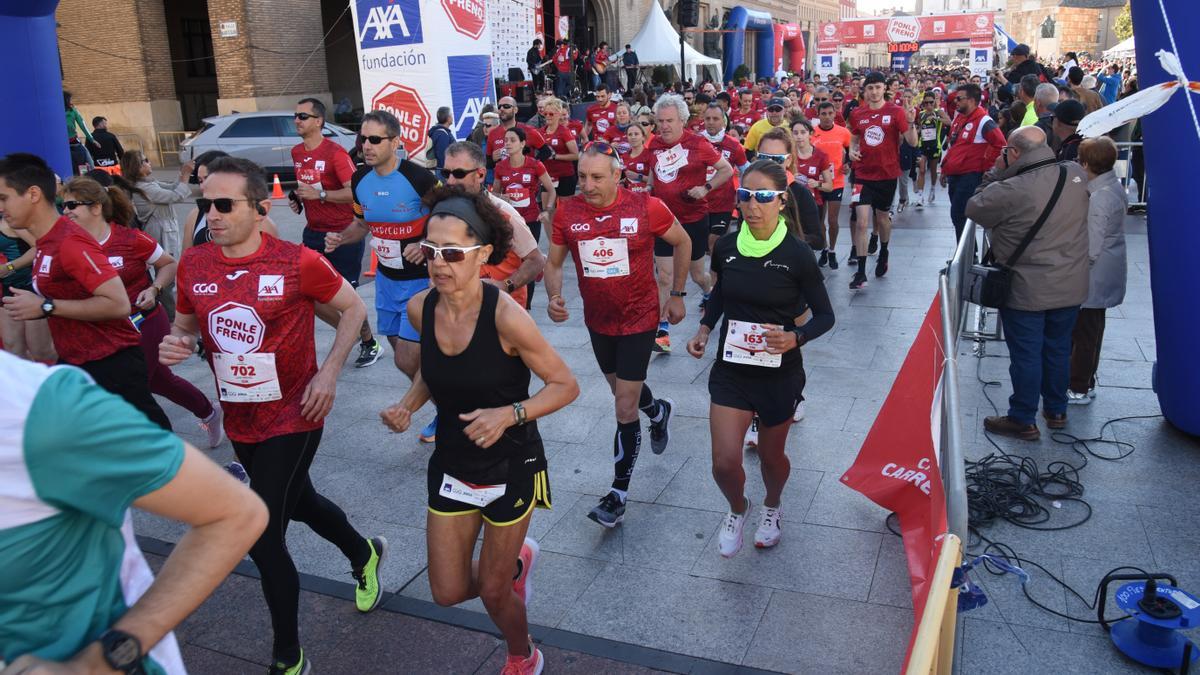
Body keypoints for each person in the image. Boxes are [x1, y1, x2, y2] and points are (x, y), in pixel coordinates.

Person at [163, 156, 386, 674]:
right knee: (300, 500)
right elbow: (186, 327)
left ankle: (289, 655)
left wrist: (328, 373)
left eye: (224, 204)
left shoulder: (295, 260)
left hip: (296, 412)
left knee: (261, 533)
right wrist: (177, 345)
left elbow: (353, 309)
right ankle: (363, 553)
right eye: (205, 204)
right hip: (242, 414)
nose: (211, 214)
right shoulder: (195, 263)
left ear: (261, 208)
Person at [380, 187, 577, 675]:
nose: (438, 263)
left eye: (452, 253)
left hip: (510, 463)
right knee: (446, 592)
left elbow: (565, 385)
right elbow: (435, 370)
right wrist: (408, 405)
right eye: (430, 251)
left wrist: (510, 414)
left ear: (483, 254)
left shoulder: (507, 317)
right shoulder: (421, 308)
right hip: (451, 461)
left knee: (491, 592)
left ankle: (522, 653)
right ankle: (511, 566)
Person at [0, 350, 266, 675]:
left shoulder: (35, 412)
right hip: (82, 356)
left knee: (291, 518)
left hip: (116, 352)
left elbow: (237, 513)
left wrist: (103, 661)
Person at [686, 159, 834, 556]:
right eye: (745, 196)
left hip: (778, 372)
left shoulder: (797, 254)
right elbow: (719, 293)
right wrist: (704, 328)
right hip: (731, 369)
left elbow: (826, 315)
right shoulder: (730, 246)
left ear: (782, 201)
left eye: (764, 197)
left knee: (771, 457)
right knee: (724, 462)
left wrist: (795, 337)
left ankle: (772, 506)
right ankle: (739, 508)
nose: (753, 205)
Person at [544, 144, 691, 526]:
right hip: (599, 320)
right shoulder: (567, 211)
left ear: (617, 175)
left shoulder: (646, 206)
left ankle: (618, 494)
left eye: (596, 177)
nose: (587, 185)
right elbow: (554, 262)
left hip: (639, 318)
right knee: (621, 391)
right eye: (582, 177)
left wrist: (676, 294)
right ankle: (658, 411)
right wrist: (554, 297)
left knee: (624, 407)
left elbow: (683, 241)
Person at [0, 152, 171, 430]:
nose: (1, 207)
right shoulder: (46, 241)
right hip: (81, 362)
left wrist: (46, 306)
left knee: (153, 452)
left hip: (111, 363)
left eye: (4, 197)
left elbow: (118, 304)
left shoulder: (70, 242)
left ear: (32, 194)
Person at [62, 176, 223, 447]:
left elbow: (169, 264)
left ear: (96, 207)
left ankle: (158, 450)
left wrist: (155, 288)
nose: (65, 211)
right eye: (62, 205)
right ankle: (209, 412)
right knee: (160, 381)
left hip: (145, 322)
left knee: (133, 387)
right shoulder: (68, 245)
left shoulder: (130, 239)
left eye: (71, 205)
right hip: (105, 329)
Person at [966, 127, 1089, 440]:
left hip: (1027, 287)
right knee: (1059, 349)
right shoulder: (1073, 173)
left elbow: (975, 207)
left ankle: (1023, 418)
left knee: (1026, 355)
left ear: (1014, 152)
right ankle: (1056, 410)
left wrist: (996, 171)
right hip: (1070, 283)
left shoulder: (1010, 189)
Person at [324, 110, 441, 437]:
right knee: (403, 357)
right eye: (363, 139)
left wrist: (428, 242)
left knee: (406, 358)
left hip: (420, 282)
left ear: (396, 142)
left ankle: (445, 411)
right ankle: (446, 406)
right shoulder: (360, 179)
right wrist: (341, 237)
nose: (367, 146)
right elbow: (362, 224)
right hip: (387, 282)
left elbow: (451, 216)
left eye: (376, 139)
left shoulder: (419, 178)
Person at [290, 97, 384, 369]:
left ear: (318, 121)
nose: (297, 120)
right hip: (313, 233)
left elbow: (354, 190)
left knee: (347, 298)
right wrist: (298, 198)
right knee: (308, 293)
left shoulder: (335, 153)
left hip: (343, 234)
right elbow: (305, 188)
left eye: (303, 116)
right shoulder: (297, 152)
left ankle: (368, 342)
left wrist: (321, 194)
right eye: (295, 116)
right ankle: (350, 333)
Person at [648, 94, 734, 352]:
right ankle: (662, 333)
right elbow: (654, 177)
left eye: (669, 121)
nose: (664, 126)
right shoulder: (653, 145)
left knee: (697, 274)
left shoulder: (698, 144)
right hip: (664, 220)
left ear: (682, 120)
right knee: (665, 276)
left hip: (693, 218)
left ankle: (709, 292)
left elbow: (726, 170)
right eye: (660, 121)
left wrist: (705, 188)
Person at [444, 140, 546, 311]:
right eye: (446, 173)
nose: (450, 181)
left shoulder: (504, 214)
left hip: (502, 311)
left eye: (459, 174)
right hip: (461, 309)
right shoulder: (445, 211)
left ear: (481, 174)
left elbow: (536, 260)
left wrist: (505, 285)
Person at [1069, 137, 1127, 404]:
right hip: (1106, 269)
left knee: (1085, 333)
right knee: (1092, 329)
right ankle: (1085, 380)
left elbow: (1092, 245)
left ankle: (1079, 385)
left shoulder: (1100, 197)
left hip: (1095, 273)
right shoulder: (1112, 187)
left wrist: (1076, 269)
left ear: (1086, 163)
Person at [846, 71, 917, 290]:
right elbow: (854, 137)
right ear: (865, 91)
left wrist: (912, 122)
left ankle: (884, 252)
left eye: (878, 87)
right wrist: (851, 151)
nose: (874, 92)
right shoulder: (858, 113)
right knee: (862, 223)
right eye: (870, 88)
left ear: (884, 89)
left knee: (883, 219)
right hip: (862, 174)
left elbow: (912, 143)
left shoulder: (896, 112)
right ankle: (860, 273)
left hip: (887, 175)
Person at [939, 83, 1005, 242]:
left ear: (972, 100)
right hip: (955, 174)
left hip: (969, 176)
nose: (956, 101)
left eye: (959, 99)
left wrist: (986, 166)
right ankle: (967, 253)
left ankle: (967, 257)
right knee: (957, 216)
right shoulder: (959, 118)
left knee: (959, 214)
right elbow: (953, 146)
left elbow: (1000, 144)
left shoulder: (984, 121)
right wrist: (944, 169)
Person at [0, 212, 55, 362]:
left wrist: (10, 267)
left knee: (40, 351)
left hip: (28, 288)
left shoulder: (10, 219)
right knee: (12, 348)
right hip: (6, 291)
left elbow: (39, 247)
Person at [701, 103, 749, 258]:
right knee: (706, 248)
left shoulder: (733, 145)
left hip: (723, 203)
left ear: (723, 121)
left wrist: (742, 194)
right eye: (707, 118)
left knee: (714, 242)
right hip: (697, 203)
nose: (711, 122)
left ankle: (717, 280)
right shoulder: (694, 141)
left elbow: (746, 171)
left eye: (715, 118)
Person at [811, 101, 851, 270]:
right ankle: (825, 249)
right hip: (818, 182)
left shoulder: (843, 132)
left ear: (835, 113)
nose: (827, 117)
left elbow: (850, 150)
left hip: (836, 181)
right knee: (820, 220)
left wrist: (848, 164)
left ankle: (833, 250)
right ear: (818, 115)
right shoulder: (812, 133)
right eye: (823, 114)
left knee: (833, 220)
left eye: (830, 113)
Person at [540, 98, 581, 199]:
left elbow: (576, 155)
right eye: (545, 114)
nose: (548, 117)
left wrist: (555, 156)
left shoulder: (564, 132)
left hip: (564, 175)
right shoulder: (540, 132)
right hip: (547, 176)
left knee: (564, 211)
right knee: (547, 210)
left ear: (558, 114)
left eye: (551, 114)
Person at [912, 92, 948, 208]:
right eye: (926, 103)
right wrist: (917, 130)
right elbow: (917, 127)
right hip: (922, 145)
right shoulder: (921, 114)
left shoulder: (939, 112)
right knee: (921, 170)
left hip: (934, 146)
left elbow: (949, 122)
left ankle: (932, 188)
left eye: (930, 102)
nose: (928, 105)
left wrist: (937, 118)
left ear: (935, 102)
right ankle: (920, 197)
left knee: (933, 171)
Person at [64, 91, 96, 174]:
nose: (72, 102)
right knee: (87, 162)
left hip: (69, 143)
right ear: (66, 100)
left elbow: (82, 125)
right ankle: (88, 176)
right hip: (72, 143)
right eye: (70, 99)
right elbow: (83, 125)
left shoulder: (69, 111)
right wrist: (92, 139)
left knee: (84, 162)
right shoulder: (73, 111)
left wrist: (92, 139)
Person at [620, 121, 653, 194]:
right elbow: (623, 178)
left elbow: (657, 181)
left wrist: (638, 176)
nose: (633, 137)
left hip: (646, 195)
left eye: (636, 134)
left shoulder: (651, 154)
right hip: (629, 196)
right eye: (630, 134)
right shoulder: (623, 157)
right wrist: (622, 183)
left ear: (643, 137)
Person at [429, 106, 456, 171]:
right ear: (448, 118)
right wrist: (446, 172)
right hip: (443, 172)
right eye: (451, 115)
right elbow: (442, 156)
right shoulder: (442, 134)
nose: (452, 117)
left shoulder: (441, 132)